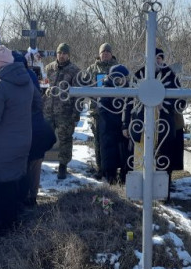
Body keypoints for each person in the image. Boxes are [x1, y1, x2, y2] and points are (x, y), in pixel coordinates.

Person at [0, 45, 34, 230]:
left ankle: (6, 227)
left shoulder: (0, 85)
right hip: (24, 138)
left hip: (4, 144)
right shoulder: (26, 80)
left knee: (4, 185)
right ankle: (17, 217)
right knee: (17, 178)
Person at [124, 48, 184, 201]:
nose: (156, 61)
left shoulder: (170, 76)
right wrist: (125, 124)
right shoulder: (138, 75)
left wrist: (165, 103)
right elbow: (128, 101)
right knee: (139, 159)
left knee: (164, 160)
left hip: (163, 126)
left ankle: (162, 194)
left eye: (159, 58)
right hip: (140, 126)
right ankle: (140, 193)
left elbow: (181, 101)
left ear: (162, 60)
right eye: (153, 57)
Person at [12, 51, 55, 206]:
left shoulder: (16, 78)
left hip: (25, 127)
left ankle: (24, 196)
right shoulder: (31, 75)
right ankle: (32, 196)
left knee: (26, 163)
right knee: (35, 163)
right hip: (37, 124)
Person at [44, 43, 81, 179]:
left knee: (65, 140)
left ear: (68, 55)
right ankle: (39, 163)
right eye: (59, 53)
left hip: (65, 113)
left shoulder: (75, 71)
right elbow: (43, 86)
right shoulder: (49, 68)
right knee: (44, 137)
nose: (62, 55)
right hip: (48, 110)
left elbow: (79, 95)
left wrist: (76, 114)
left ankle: (62, 166)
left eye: (64, 53)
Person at [83, 43, 118, 179]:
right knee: (98, 141)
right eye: (103, 52)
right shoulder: (92, 69)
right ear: (99, 54)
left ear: (111, 53)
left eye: (108, 52)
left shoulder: (117, 68)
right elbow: (85, 85)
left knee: (112, 141)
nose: (105, 54)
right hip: (97, 111)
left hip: (114, 111)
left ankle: (113, 170)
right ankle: (100, 169)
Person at [99, 64, 131, 184]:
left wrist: (125, 123)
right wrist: (119, 121)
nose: (124, 81)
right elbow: (103, 110)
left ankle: (124, 177)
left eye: (125, 78)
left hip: (123, 130)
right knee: (109, 155)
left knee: (124, 155)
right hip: (108, 129)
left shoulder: (128, 89)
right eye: (122, 78)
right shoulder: (105, 89)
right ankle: (109, 177)